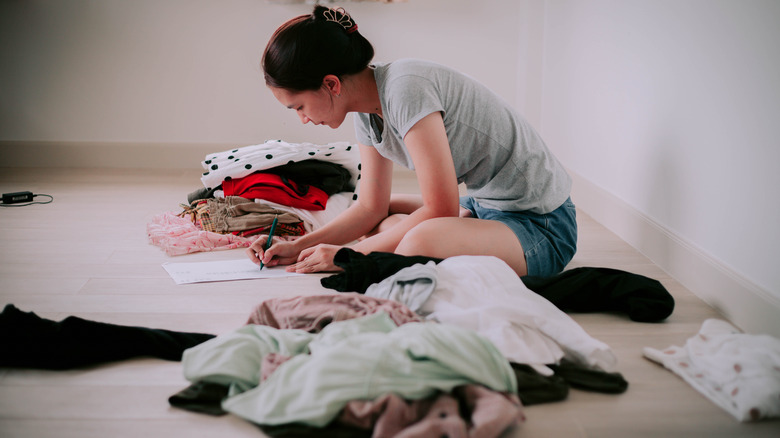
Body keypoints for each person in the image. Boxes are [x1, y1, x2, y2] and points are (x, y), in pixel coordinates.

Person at [247, 5, 576, 277]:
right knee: (382, 216)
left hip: (540, 224)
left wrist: (347, 255)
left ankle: (435, 240)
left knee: (416, 241)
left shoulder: (406, 89)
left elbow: (441, 207)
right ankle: (444, 237)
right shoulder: (365, 110)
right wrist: (299, 246)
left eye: (299, 107)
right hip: (487, 207)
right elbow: (369, 206)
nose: (303, 118)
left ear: (331, 84)